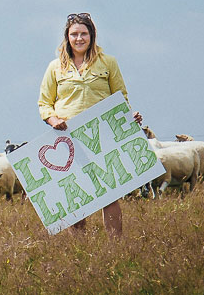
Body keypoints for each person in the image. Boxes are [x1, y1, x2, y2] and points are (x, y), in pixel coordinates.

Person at [38, 12, 142, 237]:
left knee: (110, 190)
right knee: (77, 193)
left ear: (92, 36)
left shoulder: (108, 63)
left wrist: (129, 115)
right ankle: (80, 248)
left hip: (103, 134)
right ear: (67, 37)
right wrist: (54, 119)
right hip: (68, 138)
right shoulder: (55, 67)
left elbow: (121, 96)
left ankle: (115, 246)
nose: (79, 38)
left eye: (83, 33)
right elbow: (45, 103)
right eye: (74, 34)